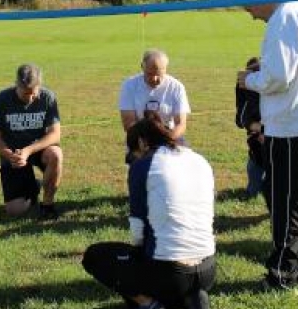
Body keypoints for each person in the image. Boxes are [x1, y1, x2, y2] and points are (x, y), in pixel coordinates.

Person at [236, 0, 298, 291]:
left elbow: (279, 78)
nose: (250, 16)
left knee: (285, 203)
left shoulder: (283, 17)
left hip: (291, 127)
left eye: (248, 7)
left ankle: (282, 275)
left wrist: (247, 80)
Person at [82, 119, 215, 309]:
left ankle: (150, 304)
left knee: (95, 256)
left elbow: (138, 228)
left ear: (143, 143)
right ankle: (188, 298)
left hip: (170, 272)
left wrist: (137, 256)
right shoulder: (200, 160)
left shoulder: (144, 165)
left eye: (133, 153)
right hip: (208, 267)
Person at [0, 64, 64, 218]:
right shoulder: (1, 100)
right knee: (15, 211)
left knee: (56, 154)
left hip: (38, 149)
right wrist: (8, 154)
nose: (29, 98)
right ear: (17, 85)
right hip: (13, 154)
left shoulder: (48, 97)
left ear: (39, 86)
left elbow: (55, 134)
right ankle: (33, 187)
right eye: (25, 93)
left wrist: (28, 150)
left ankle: (47, 205)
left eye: (33, 93)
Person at [119, 49, 191, 160]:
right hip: (141, 139)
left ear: (166, 69)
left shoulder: (176, 87)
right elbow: (129, 124)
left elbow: (181, 124)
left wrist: (168, 138)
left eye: (158, 74)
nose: (154, 79)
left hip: (169, 136)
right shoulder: (129, 86)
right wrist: (148, 145)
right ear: (142, 67)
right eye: (149, 74)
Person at [235, 56, 267, 201]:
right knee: (253, 192)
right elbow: (241, 120)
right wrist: (259, 129)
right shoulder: (246, 91)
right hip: (257, 147)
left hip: (277, 142)